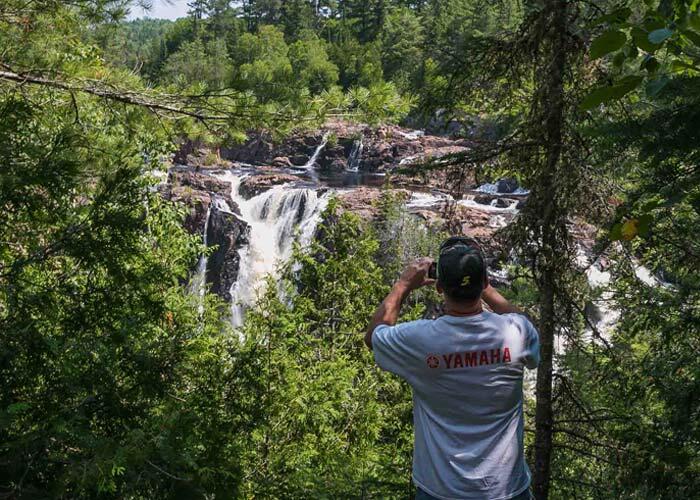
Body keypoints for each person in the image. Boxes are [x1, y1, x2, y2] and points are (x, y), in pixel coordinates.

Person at [365, 237, 540, 500]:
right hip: (506, 488)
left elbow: (374, 336)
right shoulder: (516, 332)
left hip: (441, 489)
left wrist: (403, 285)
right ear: (484, 282)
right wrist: (486, 289)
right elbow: (523, 320)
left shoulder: (420, 340)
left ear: (438, 287)